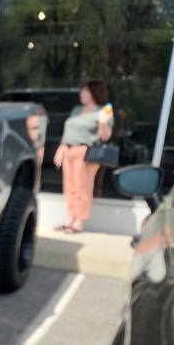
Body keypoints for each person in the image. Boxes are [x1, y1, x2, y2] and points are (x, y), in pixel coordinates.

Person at [53, 79, 113, 233]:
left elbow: (105, 136)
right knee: (70, 186)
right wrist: (61, 148)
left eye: (84, 91)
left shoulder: (104, 110)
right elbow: (68, 131)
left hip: (86, 153)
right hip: (69, 150)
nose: (81, 94)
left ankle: (79, 221)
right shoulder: (76, 109)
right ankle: (71, 217)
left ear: (94, 92)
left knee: (83, 186)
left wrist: (103, 123)